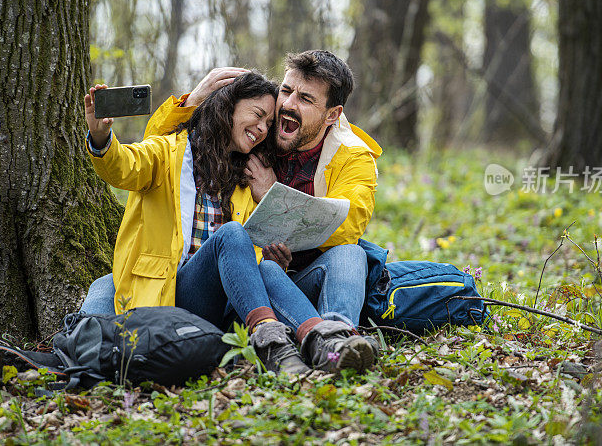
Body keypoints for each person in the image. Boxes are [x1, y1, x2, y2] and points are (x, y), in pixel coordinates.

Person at [80, 72, 376, 375]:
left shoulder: (249, 175)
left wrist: (276, 257)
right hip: (174, 297)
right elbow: (122, 166)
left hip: (223, 307)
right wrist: (101, 137)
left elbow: (249, 261)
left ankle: (326, 343)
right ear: (227, 106)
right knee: (232, 234)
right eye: (258, 116)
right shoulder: (167, 153)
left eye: (269, 124)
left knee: (268, 267)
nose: (262, 129)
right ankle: (272, 343)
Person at [139, 51, 382, 342]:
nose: (288, 105)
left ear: (332, 115)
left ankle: (337, 340)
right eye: (287, 91)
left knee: (351, 254)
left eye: (305, 99)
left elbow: (347, 225)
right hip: (248, 282)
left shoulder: (353, 156)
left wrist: (272, 196)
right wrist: (191, 102)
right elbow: (163, 150)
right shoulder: (258, 131)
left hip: (304, 281)